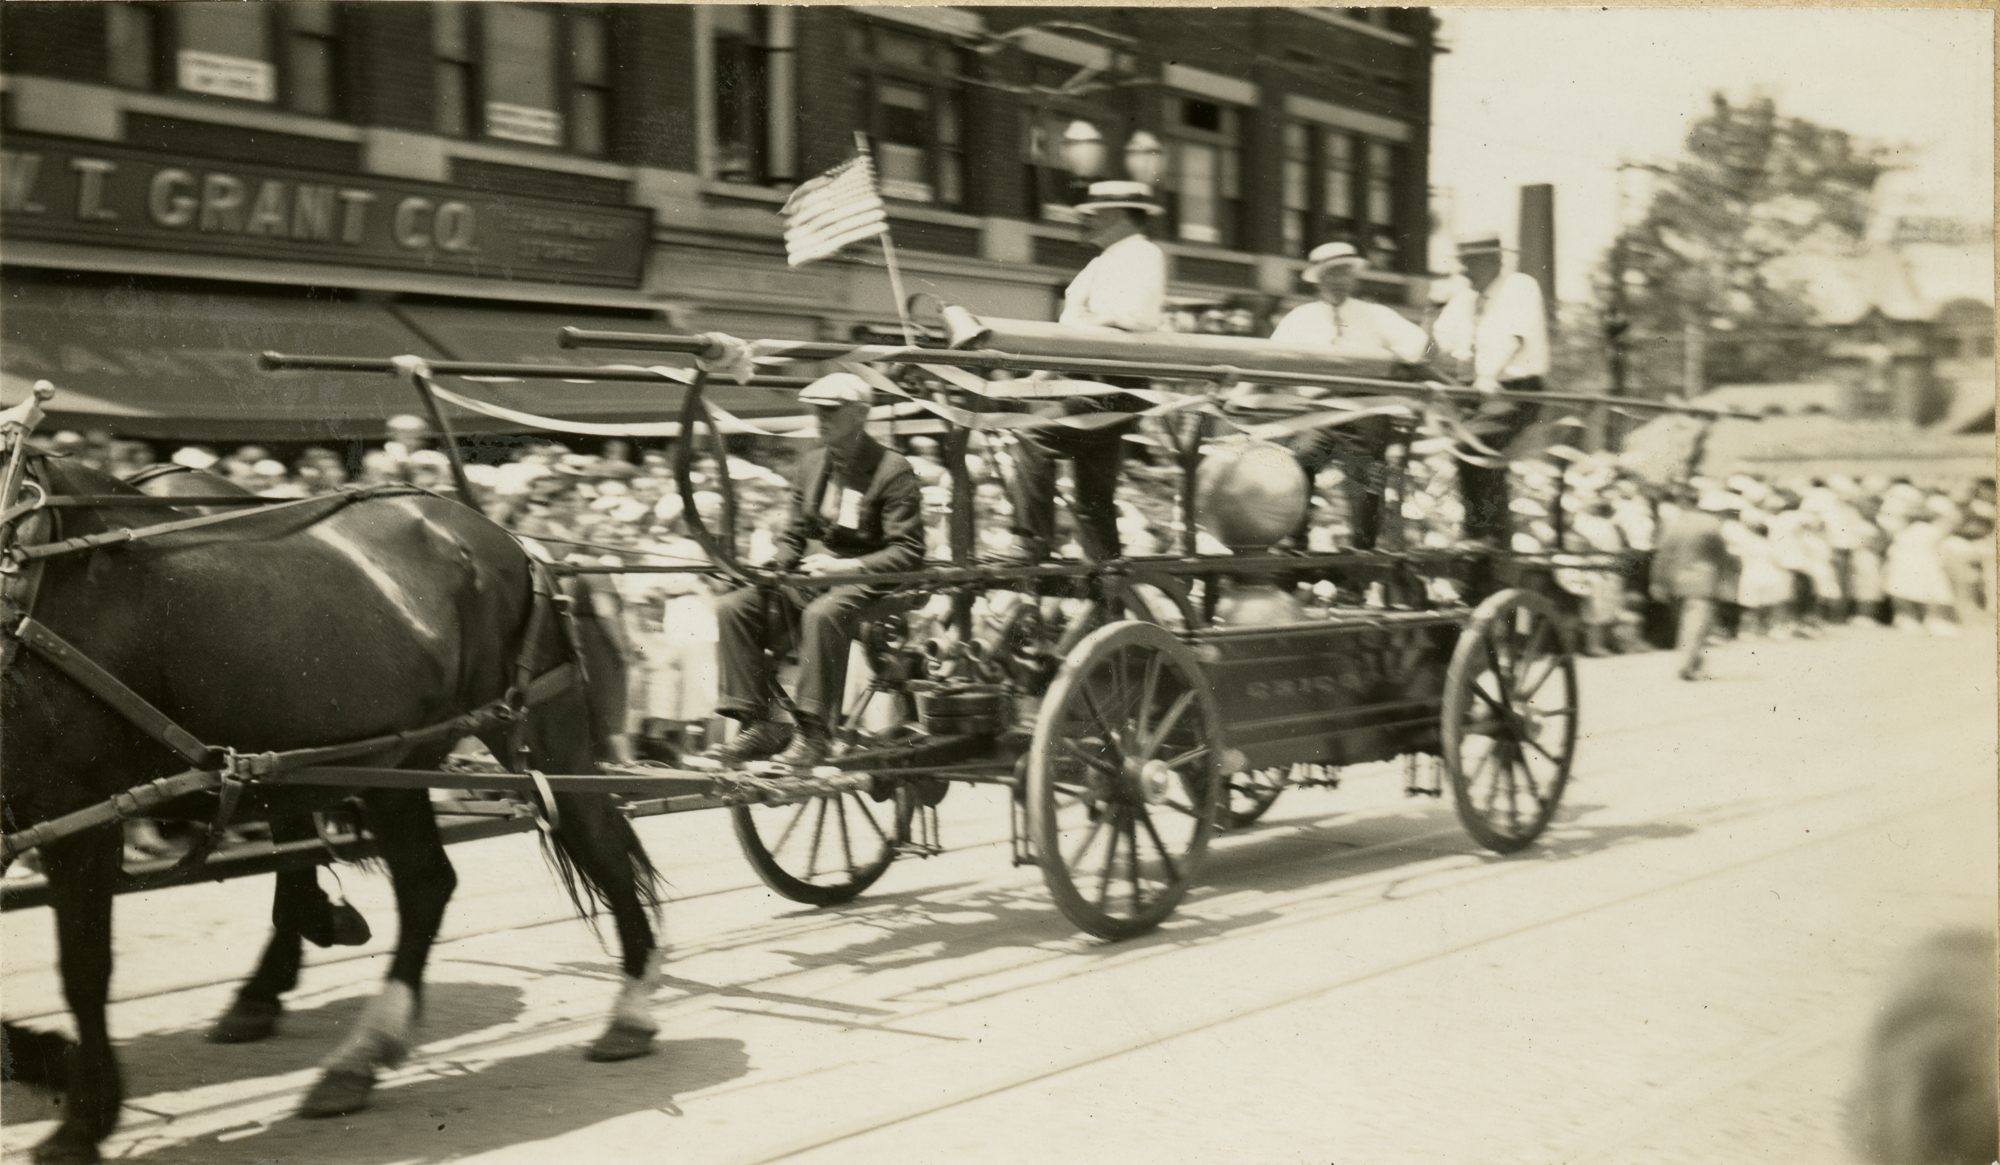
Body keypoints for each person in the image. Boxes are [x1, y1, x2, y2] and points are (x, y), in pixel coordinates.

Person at [701, 373, 926, 769]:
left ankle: (814, 733)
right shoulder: (811, 464)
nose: (820, 418)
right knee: (733, 607)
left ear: (861, 414)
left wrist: (845, 566)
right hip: (814, 575)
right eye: (816, 410)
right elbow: (794, 534)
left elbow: (908, 551)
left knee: (823, 615)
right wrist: (774, 568)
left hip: (866, 579)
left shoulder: (893, 469)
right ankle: (758, 724)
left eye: (831, 411)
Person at [1004, 180, 1167, 563]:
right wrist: (1043, 374)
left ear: (1119, 215)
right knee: (1094, 496)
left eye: (1094, 214)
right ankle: (1106, 577)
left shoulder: (1143, 254)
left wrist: (1086, 323)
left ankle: (1031, 541)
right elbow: (1076, 330)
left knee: (1033, 436)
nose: (1085, 221)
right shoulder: (1103, 261)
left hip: (1113, 386)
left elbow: (1134, 318)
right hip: (1090, 382)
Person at [1264, 241, 1430, 550]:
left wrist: (1391, 362)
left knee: (1364, 477)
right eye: (1332, 274)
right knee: (1298, 460)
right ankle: (1294, 541)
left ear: (1353, 277)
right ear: (1319, 279)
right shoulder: (1300, 317)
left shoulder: (1375, 314)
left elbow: (1419, 342)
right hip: (1318, 409)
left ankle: (1362, 554)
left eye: (1345, 273)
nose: (1339, 280)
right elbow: (1268, 357)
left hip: (1363, 407)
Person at [1431, 233, 1550, 548]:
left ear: (1494, 261)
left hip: (1515, 391)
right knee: (1464, 449)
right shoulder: (1464, 300)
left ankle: (1486, 537)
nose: (1464, 271)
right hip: (1473, 394)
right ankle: (1486, 539)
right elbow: (1437, 343)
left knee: (1473, 444)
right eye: (1462, 263)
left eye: (1470, 263)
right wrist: (1431, 314)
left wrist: (1487, 375)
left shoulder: (1519, 286)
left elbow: (1515, 338)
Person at [1652, 487, 1737, 681]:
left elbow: (1662, 555)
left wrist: (1657, 582)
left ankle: (1694, 663)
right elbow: (1723, 556)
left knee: (1686, 624)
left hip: (1676, 580)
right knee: (1697, 625)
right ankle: (1687, 666)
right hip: (1704, 581)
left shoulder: (1673, 524)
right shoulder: (1711, 524)